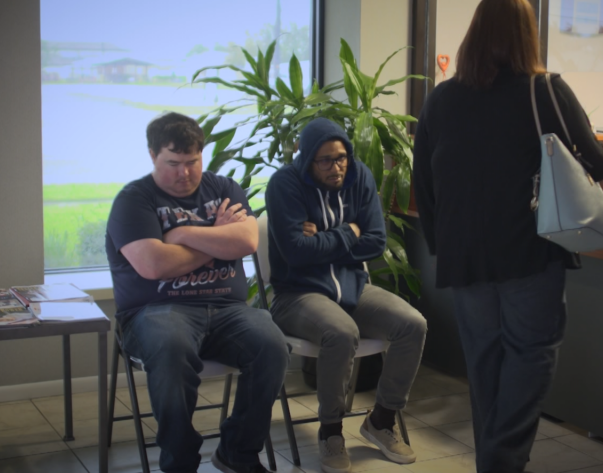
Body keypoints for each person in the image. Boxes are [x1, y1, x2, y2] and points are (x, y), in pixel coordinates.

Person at [412, 0, 603, 473]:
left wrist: (444, 245)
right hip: (529, 251)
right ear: (527, 35)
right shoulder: (544, 90)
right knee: (532, 356)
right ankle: (501, 463)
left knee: (485, 365)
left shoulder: (441, 97)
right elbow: (598, 163)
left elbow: (424, 181)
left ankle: (493, 462)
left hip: (465, 259)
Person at [105, 112, 289, 473]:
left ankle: (238, 451)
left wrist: (181, 234)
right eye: (173, 163)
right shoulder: (133, 200)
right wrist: (217, 239)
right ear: (152, 155)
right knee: (171, 348)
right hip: (154, 312)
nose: (184, 173)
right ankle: (180, 462)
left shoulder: (224, 189)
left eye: (192, 162)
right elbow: (154, 266)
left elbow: (247, 240)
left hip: (227, 310)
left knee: (272, 346)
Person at [265, 117, 427, 473]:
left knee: (412, 324)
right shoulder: (284, 185)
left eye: (341, 158)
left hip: (353, 288)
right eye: (325, 160)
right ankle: (331, 432)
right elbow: (294, 252)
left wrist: (320, 236)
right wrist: (347, 232)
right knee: (341, 333)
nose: (336, 167)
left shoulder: (360, 177)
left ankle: (381, 420)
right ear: (307, 159)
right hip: (297, 295)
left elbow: (375, 241)